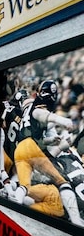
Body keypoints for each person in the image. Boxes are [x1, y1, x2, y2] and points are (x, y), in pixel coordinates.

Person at [12, 80, 83, 226]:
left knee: (24, 186)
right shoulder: (36, 108)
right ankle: (76, 220)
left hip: (20, 151)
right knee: (63, 183)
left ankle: (13, 202)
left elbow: (38, 139)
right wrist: (62, 120)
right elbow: (40, 114)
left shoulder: (24, 116)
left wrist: (51, 140)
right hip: (32, 149)